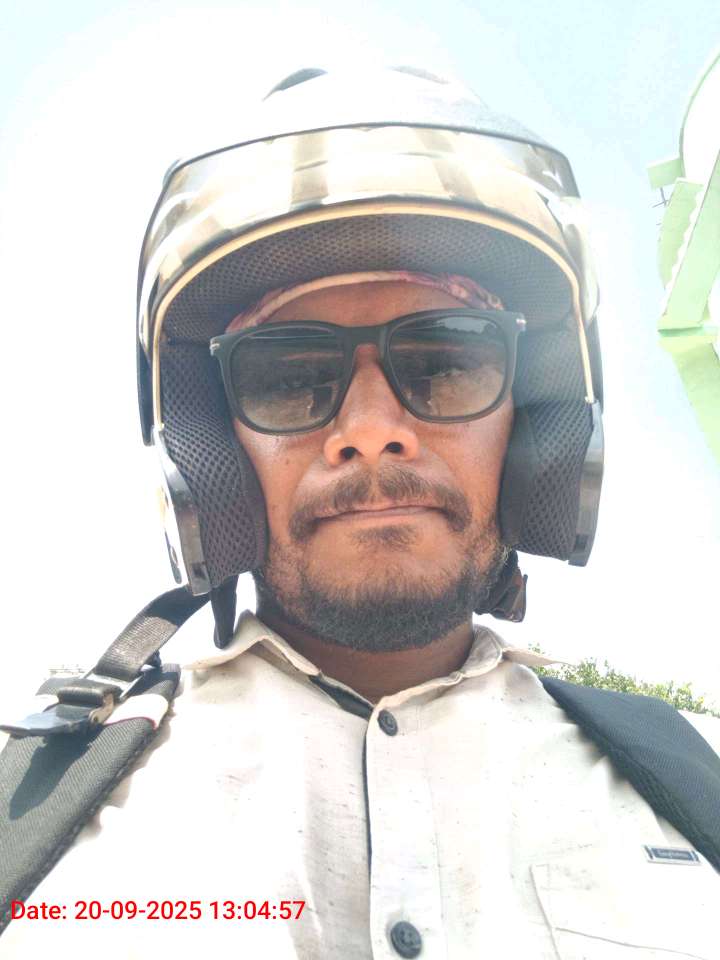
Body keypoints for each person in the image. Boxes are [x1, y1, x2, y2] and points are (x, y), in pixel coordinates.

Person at [1, 64, 719, 958]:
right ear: (211, 449)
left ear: (531, 429)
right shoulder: (34, 812)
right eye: (287, 376)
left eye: (448, 360)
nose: (373, 432)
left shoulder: (700, 778)